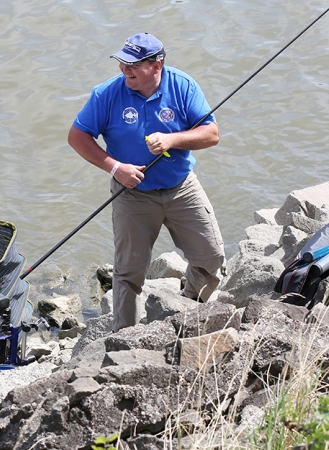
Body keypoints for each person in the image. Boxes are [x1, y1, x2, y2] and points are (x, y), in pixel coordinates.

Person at [68, 32, 225, 332]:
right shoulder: (106, 94)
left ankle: (191, 308)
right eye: (122, 63)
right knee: (128, 273)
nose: (125, 70)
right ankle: (124, 336)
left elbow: (211, 133)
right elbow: (77, 136)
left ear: (156, 65)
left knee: (211, 255)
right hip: (132, 194)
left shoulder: (183, 86)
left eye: (133, 65)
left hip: (181, 188)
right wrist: (115, 168)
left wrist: (173, 139)